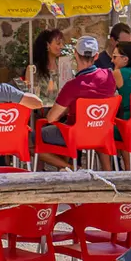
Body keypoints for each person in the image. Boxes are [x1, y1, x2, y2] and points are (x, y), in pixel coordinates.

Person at [40, 35, 117, 169]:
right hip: (100, 132)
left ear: (75, 54)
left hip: (75, 135)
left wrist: (67, 109)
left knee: (32, 139)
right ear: (97, 56)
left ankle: (72, 168)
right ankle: (107, 172)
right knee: (96, 130)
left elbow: (51, 118)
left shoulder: (73, 85)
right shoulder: (109, 76)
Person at [30, 28, 67, 106]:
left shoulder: (64, 65)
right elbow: (30, 95)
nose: (62, 46)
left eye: (62, 43)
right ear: (47, 45)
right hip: (42, 111)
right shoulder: (33, 69)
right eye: (58, 43)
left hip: (63, 110)